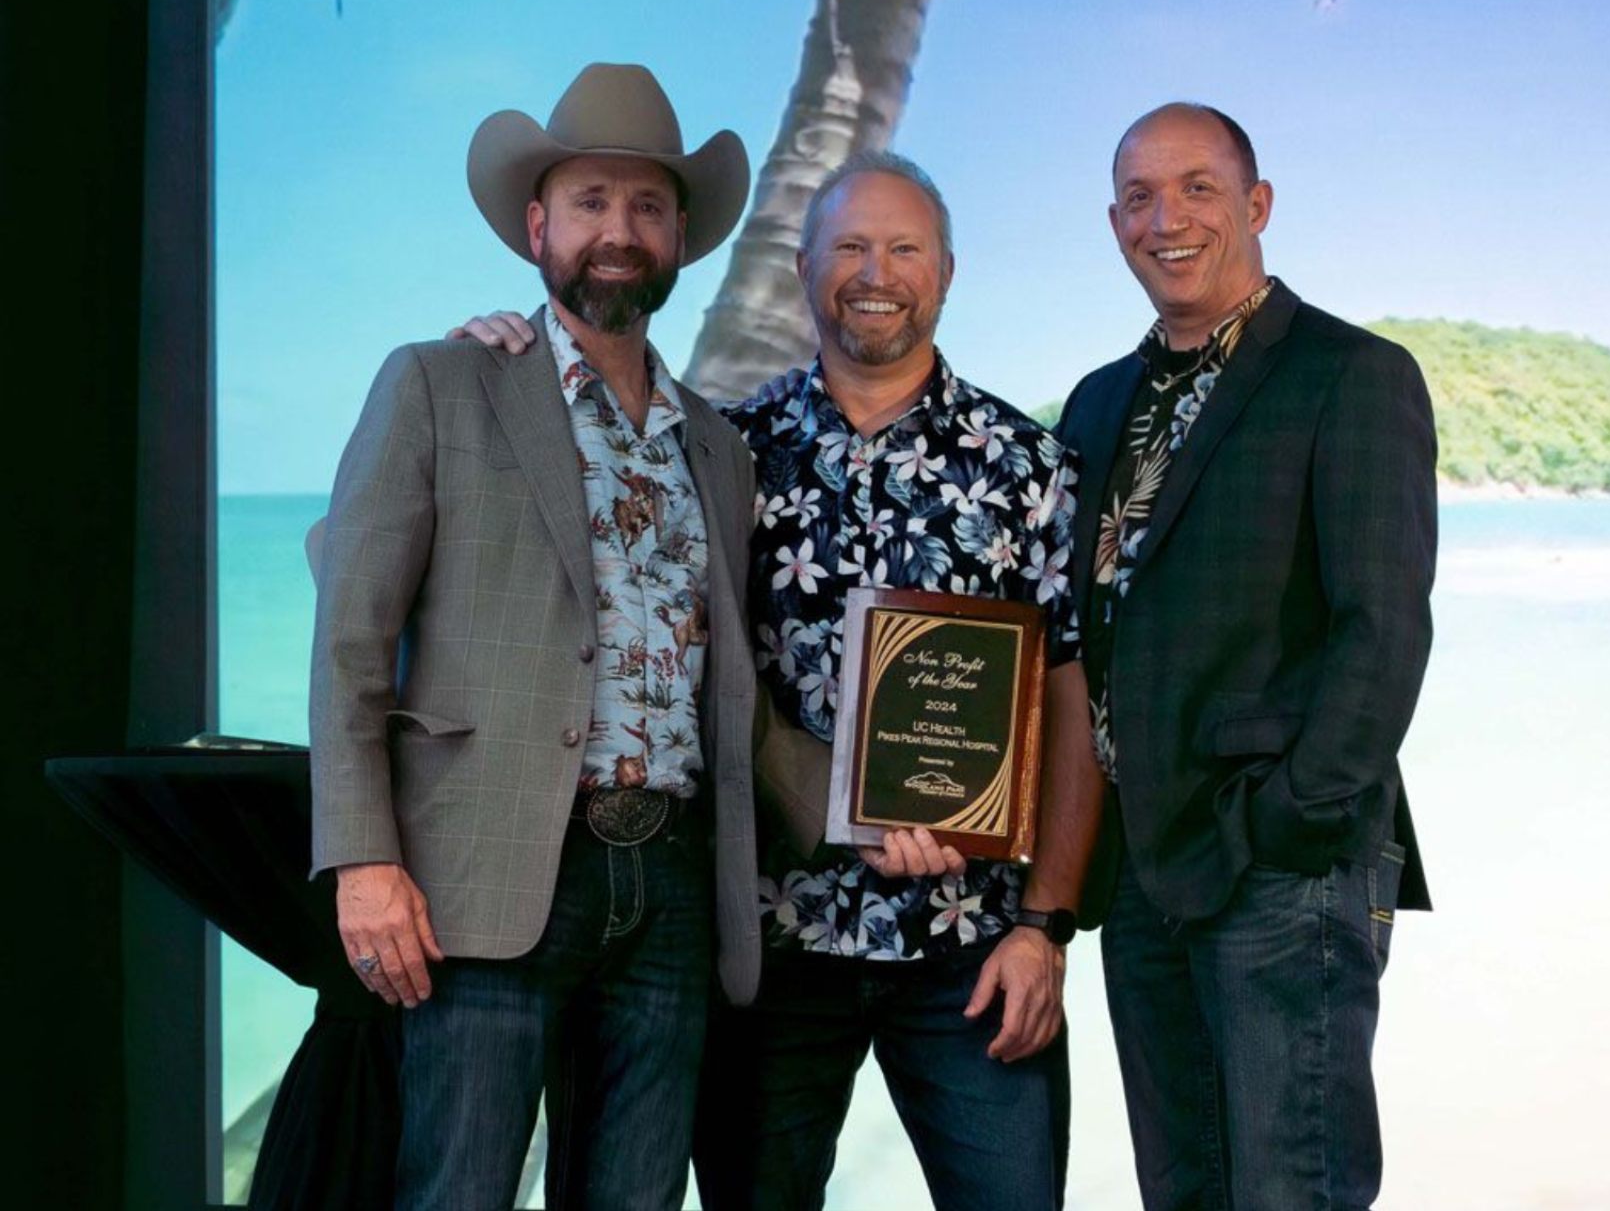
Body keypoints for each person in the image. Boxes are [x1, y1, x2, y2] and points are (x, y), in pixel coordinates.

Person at [457, 152, 1102, 1211]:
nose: (874, 270)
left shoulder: (1032, 467)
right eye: (848, 246)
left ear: (947, 270)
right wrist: (496, 355)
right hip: (771, 944)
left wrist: (1046, 927)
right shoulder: (720, 453)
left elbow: (1073, 706)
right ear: (804, 269)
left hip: (974, 947)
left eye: (902, 247)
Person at [308, 62, 759, 1211]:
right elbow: (351, 635)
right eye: (592, 201)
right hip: (487, 874)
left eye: (648, 205)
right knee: (457, 1192)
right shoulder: (442, 382)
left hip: (668, 881)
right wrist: (362, 859)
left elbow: (736, 688)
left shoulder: (719, 448)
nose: (620, 230)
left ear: (681, 236)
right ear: (536, 225)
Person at [1055, 102, 1436, 1211]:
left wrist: (1292, 818)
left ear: (1256, 204)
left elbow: (1385, 626)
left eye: (1197, 188)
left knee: (1291, 1192)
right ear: (1114, 221)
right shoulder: (1095, 405)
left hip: (1283, 867)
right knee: (1185, 1192)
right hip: (1138, 874)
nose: (1164, 218)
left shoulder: (1350, 374)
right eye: (1138, 196)